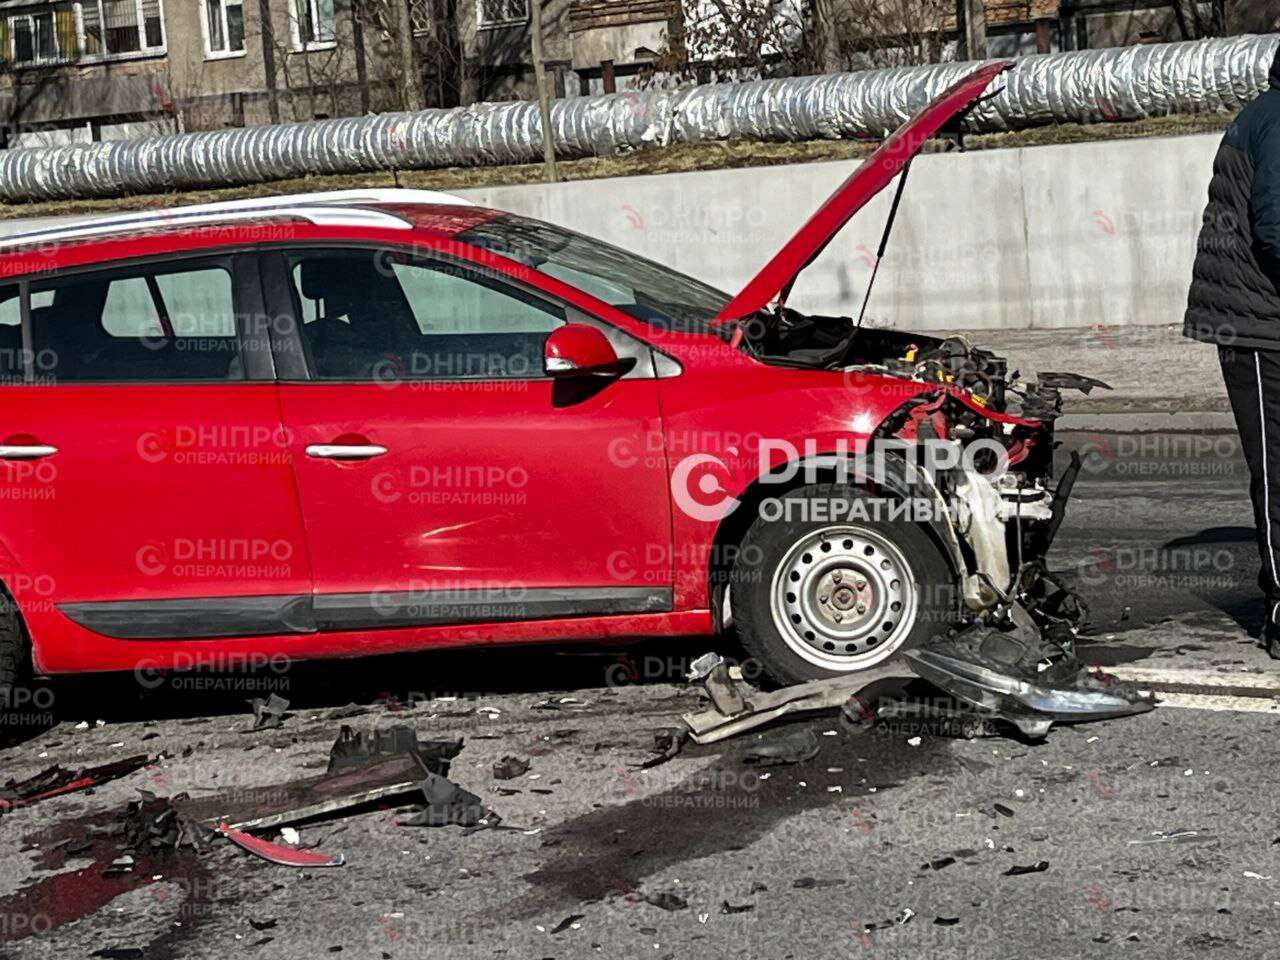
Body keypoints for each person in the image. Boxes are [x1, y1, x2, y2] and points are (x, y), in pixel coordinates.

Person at [1185, 46, 1280, 659]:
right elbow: (1275, 230)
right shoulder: (1275, 119)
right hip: (1253, 325)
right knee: (1278, 472)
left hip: (1264, 316)